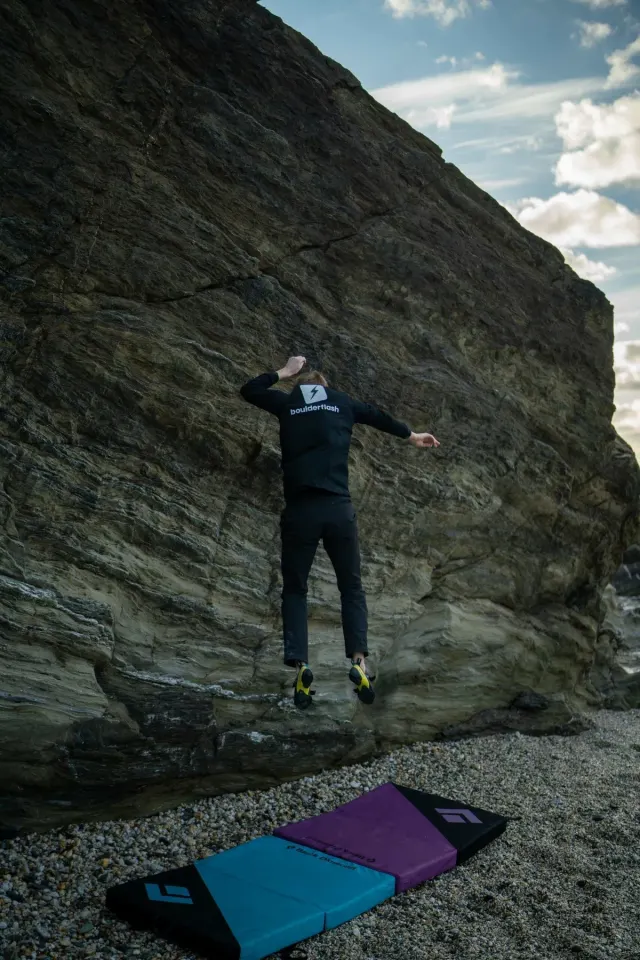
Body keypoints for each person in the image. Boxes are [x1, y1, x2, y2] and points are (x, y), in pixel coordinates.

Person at [240, 355, 440, 710]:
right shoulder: (342, 403)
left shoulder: (287, 404)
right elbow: (379, 417)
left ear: (302, 387)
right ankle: (359, 662)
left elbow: (250, 390)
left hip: (300, 512)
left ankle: (302, 666)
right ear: (325, 387)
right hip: (338, 510)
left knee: (295, 590)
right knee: (351, 587)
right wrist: (412, 436)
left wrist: (284, 371)